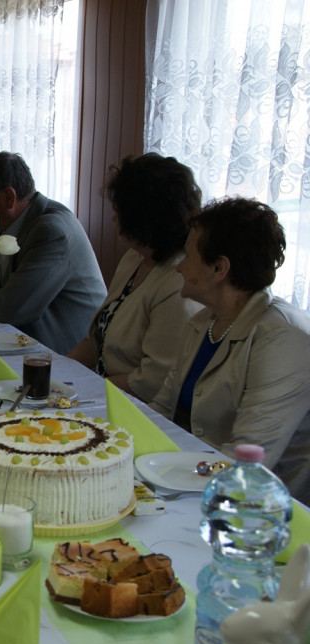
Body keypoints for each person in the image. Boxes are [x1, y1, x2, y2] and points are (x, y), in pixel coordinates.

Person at [151, 197, 310, 504]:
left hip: (259, 511)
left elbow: (248, 459)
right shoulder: (203, 322)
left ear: (219, 268)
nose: (179, 267)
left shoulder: (284, 340)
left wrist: (162, 473)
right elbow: (160, 411)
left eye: (189, 255)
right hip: (193, 480)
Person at [67, 154, 204, 401]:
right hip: (103, 390)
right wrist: (59, 373)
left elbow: (152, 382)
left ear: (142, 217)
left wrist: (82, 390)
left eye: (118, 210)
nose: (113, 217)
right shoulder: (135, 258)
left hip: (134, 406)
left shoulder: (177, 282)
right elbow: (95, 340)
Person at [0, 152, 106, 354]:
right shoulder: (14, 221)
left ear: (9, 197)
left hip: (68, 354)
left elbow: (9, 308)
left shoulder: (51, 232)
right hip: (25, 339)